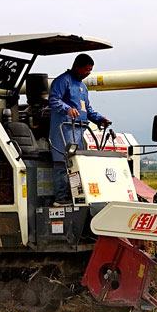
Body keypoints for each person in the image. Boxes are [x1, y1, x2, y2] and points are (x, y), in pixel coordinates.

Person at [49, 53, 111, 205]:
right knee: (63, 164)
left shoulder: (83, 87)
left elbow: (86, 108)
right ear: (77, 66)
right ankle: (61, 198)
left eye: (90, 70)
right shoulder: (63, 81)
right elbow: (53, 99)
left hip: (80, 130)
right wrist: (67, 109)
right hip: (64, 129)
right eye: (86, 69)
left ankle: (75, 195)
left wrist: (100, 119)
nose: (88, 73)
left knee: (77, 164)